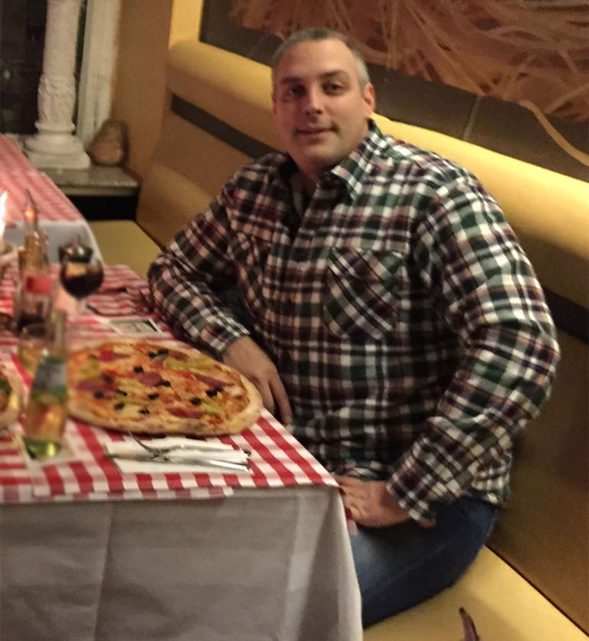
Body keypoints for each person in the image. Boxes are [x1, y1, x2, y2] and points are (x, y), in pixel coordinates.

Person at [148, 28, 560, 626]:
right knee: (150, 560)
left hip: (420, 501)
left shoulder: (435, 196)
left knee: (245, 619)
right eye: (293, 91)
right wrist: (232, 341)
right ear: (275, 107)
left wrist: (404, 492)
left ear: (367, 99)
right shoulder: (253, 190)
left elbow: (521, 344)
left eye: (332, 87)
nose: (311, 105)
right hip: (288, 461)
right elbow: (174, 271)